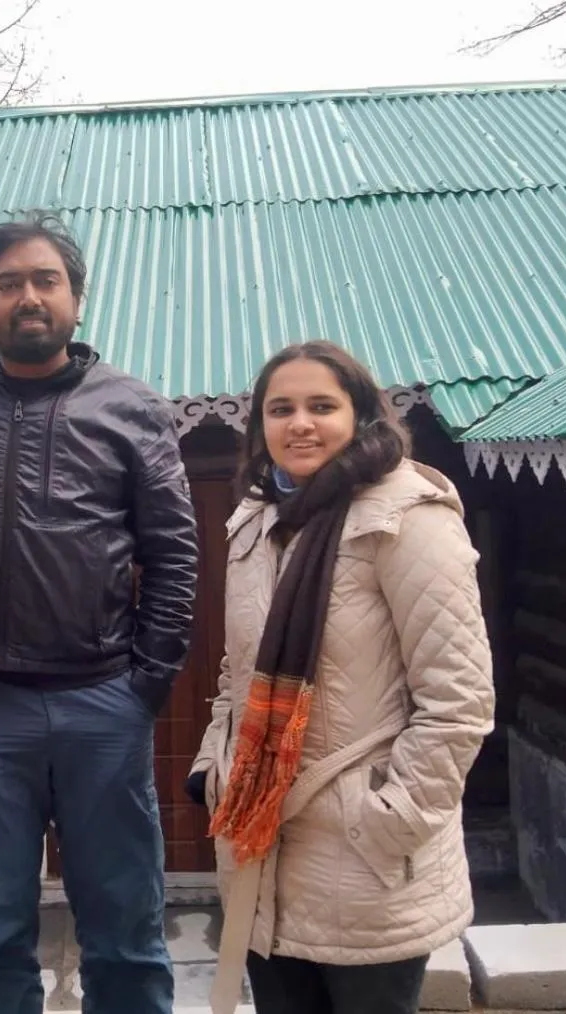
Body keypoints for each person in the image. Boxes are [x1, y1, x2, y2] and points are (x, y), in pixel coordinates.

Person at [0, 213, 200, 1014]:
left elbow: (174, 552)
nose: (27, 297)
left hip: (102, 701)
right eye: (7, 284)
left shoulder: (130, 406)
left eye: (45, 280)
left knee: (124, 924)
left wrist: (146, 683)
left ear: (75, 296)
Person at [187, 341, 495, 1014]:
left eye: (321, 406)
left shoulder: (405, 518)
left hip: (364, 859)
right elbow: (236, 666)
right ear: (259, 426)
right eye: (281, 408)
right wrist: (217, 759)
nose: (300, 423)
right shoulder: (255, 519)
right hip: (260, 841)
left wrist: (391, 817)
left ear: (360, 416)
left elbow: (459, 699)